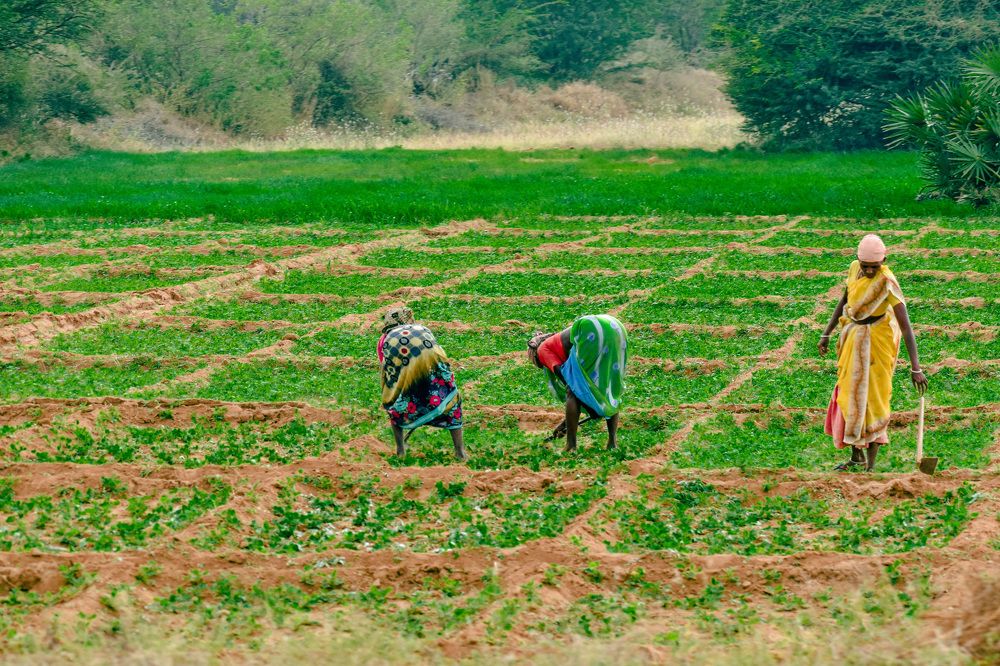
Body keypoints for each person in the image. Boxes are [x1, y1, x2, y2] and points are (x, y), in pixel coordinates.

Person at [819, 234, 928, 471]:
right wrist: (826, 333)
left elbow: (907, 326)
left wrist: (915, 367)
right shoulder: (853, 269)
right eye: (865, 266)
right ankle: (855, 456)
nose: (869, 271)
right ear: (858, 260)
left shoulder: (887, 282)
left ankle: (871, 466)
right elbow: (845, 300)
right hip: (853, 338)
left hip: (878, 343)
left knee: (873, 400)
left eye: (874, 267)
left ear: (884, 261)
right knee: (849, 395)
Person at [527, 314, 628, 452]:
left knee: (572, 392)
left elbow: (572, 386)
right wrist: (565, 424)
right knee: (607, 387)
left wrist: (590, 408)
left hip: (589, 329)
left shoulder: (542, 350)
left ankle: (571, 445)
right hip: (615, 326)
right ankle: (612, 443)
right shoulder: (563, 344)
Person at [378, 307, 467, 460]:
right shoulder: (420, 328)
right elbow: (437, 351)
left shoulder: (384, 339)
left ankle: (401, 449)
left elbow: (387, 366)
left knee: (395, 402)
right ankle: (460, 452)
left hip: (399, 359)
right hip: (429, 358)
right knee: (452, 402)